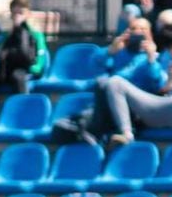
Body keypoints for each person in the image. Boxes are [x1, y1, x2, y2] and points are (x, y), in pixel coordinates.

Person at [52, 16, 165, 146]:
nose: (138, 32)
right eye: (133, 28)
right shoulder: (119, 53)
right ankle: (90, 135)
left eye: (143, 29)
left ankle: (93, 133)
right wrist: (110, 51)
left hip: (134, 109)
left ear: (150, 34)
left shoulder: (155, 57)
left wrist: (151, 58)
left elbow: (158, 84)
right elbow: (93, 65)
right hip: (108, 105)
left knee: (104, 83)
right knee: (60, 127)